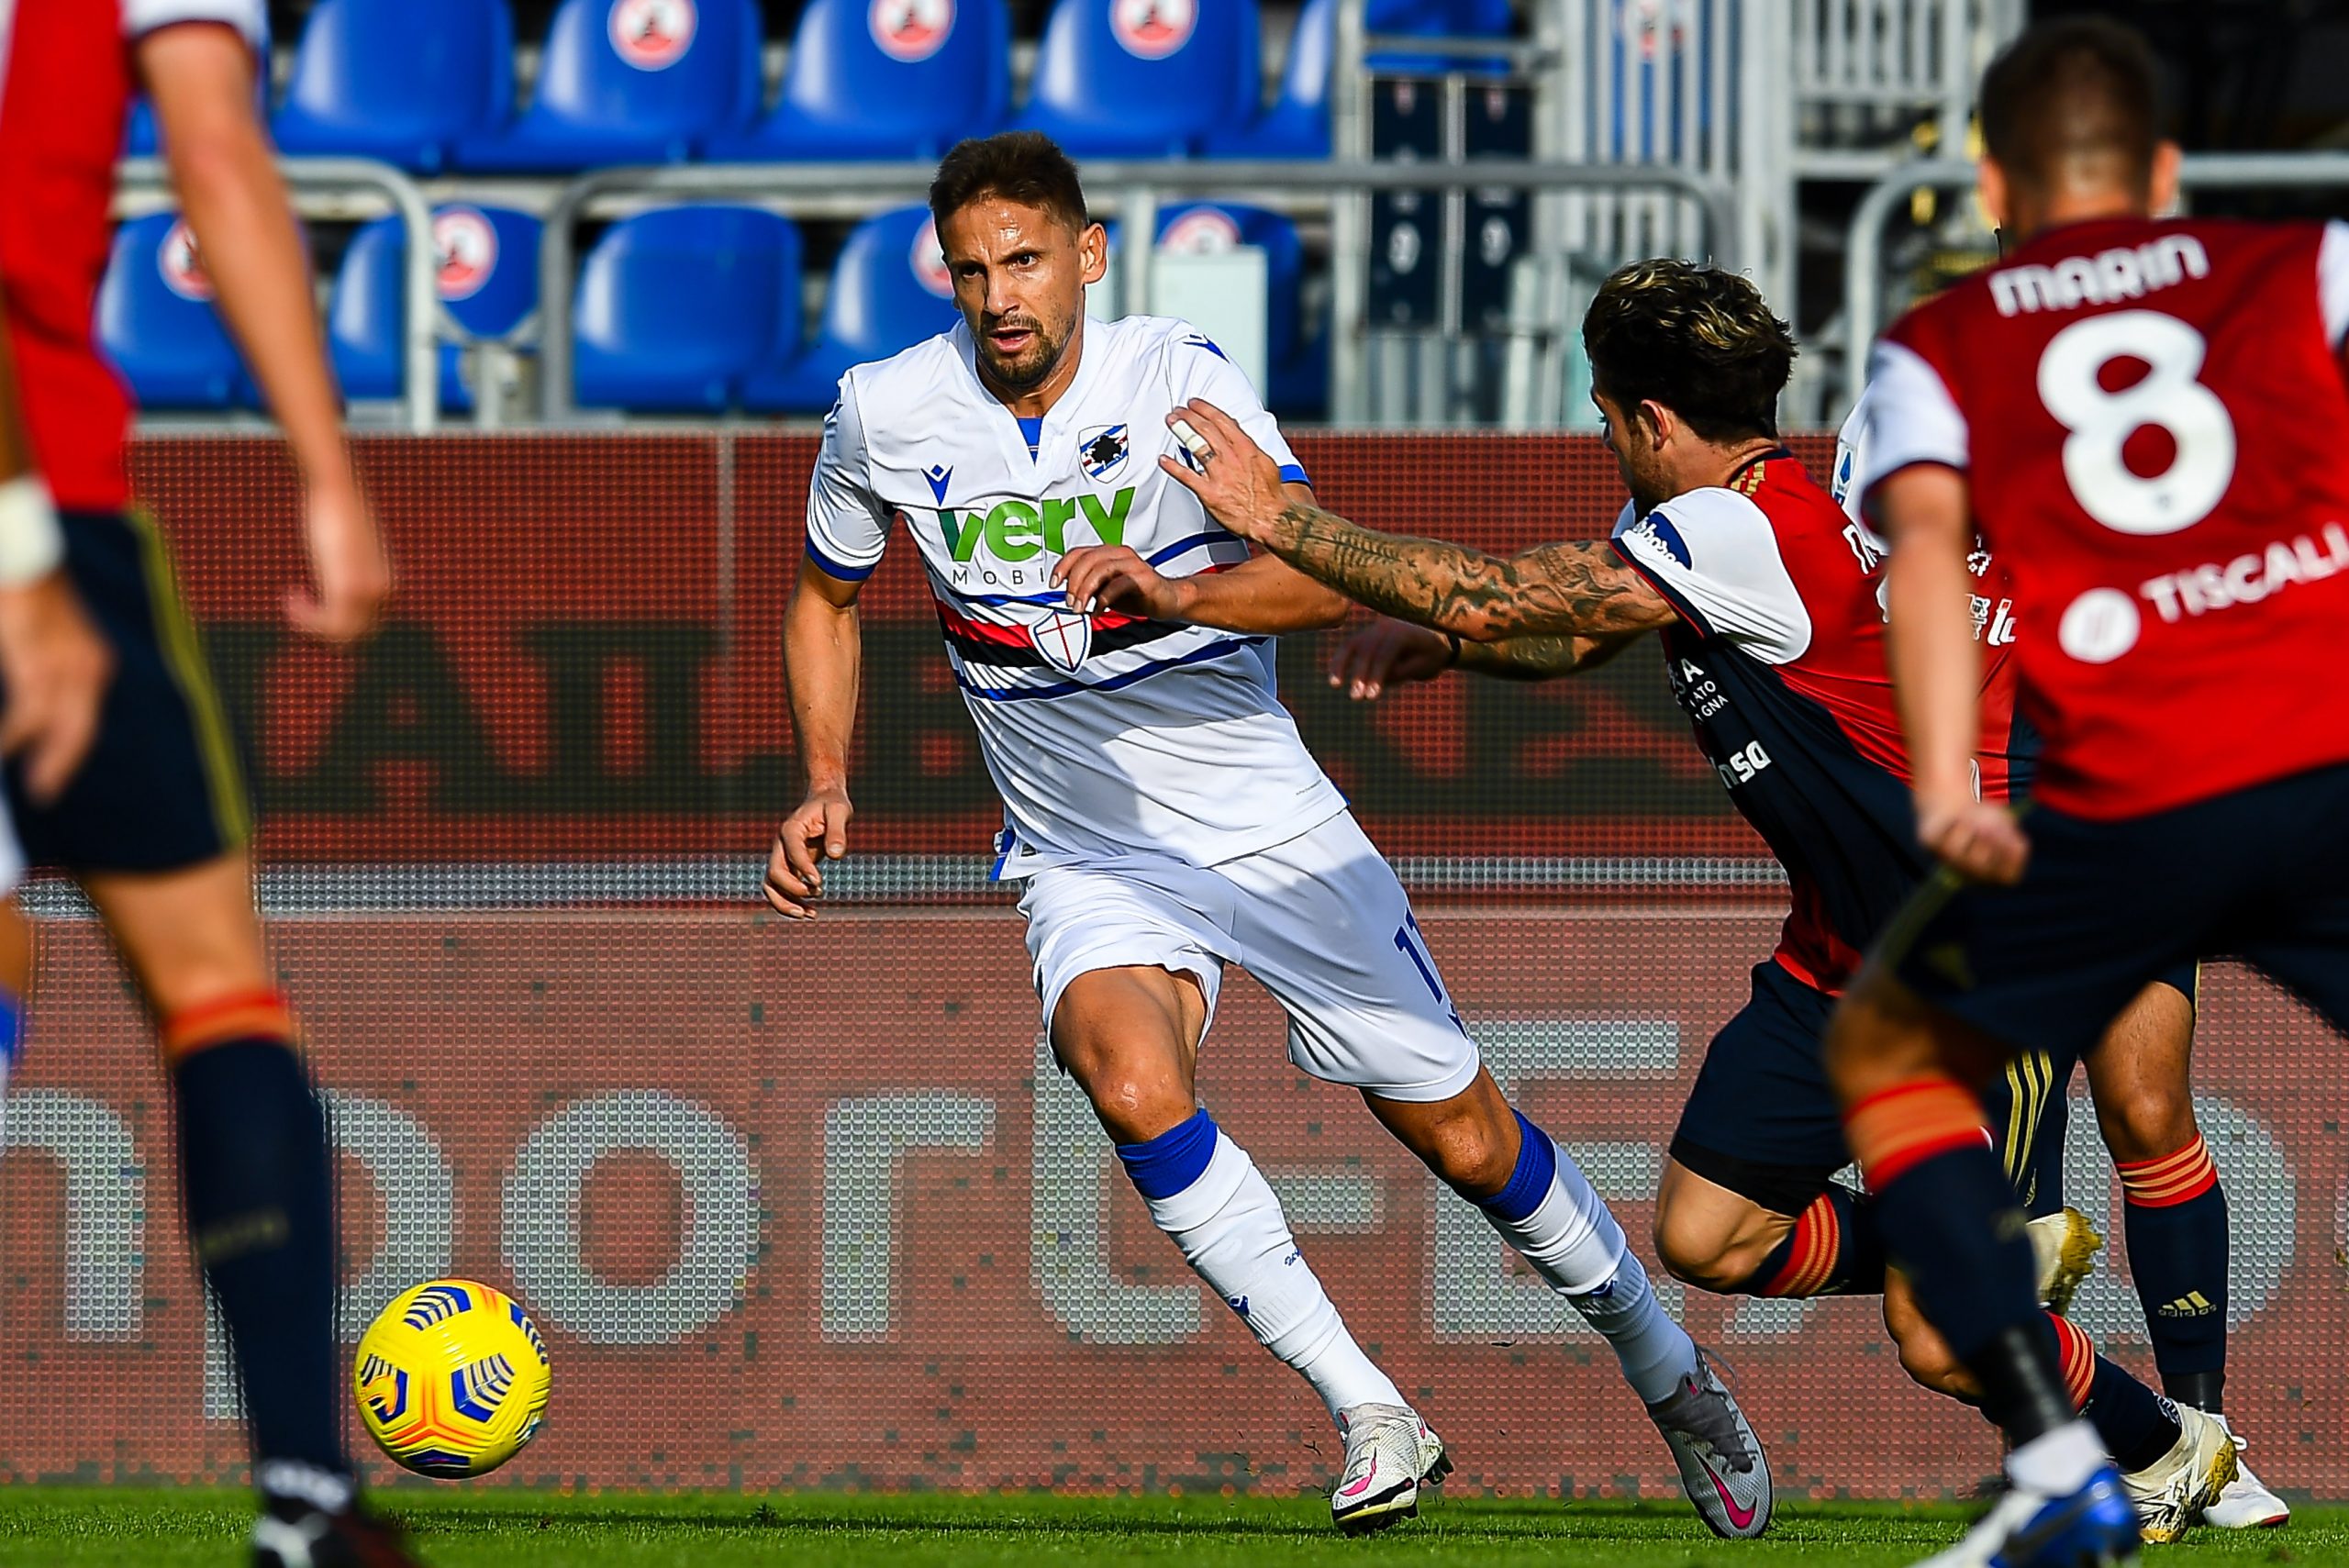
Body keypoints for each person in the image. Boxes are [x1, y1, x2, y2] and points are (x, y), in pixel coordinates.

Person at [763, 130, 1772, 1539]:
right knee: (1123, 1075)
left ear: (1089, 256)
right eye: (975, 269)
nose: (1002, 297)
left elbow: (1306, 561)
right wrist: (824, 774)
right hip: (1085, 851)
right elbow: (823, 597)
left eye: (1029, 262)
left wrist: (1174, 597)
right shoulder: (885, 410)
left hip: (1269, 824)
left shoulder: (1173, 378)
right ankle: (1371, 1407)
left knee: (1470, 1141)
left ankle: (1668, 1371)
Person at [1153, 257, 2235, 1543]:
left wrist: (1286, 526)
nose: (1607, 439)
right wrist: (1448, 643)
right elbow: (1566, 628)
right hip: (1844, 961)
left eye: (1609, 417)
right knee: (1712, 1233)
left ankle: (2167, 1443)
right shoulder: (1728, 532)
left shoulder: (1746, 527)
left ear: (1651, 420)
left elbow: (1516, 591)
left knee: (1943, 1342)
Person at [1825, 12, 2349, 1564]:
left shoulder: (1941, 355)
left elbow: (1915, 560)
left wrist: (1940, 785)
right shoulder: (2297, 274)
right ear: (2172, 171)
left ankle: (2079, 1462)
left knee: (1897, 1052)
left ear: (1994, 180)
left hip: (2124, 785)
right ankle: (2176, 1450)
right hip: (2281, 761)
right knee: (2135, 1094)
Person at [0, 4, 404, 1563]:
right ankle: (306, 1488)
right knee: (217, 991)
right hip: (45, 501)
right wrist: (325, 475)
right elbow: (216, 151)